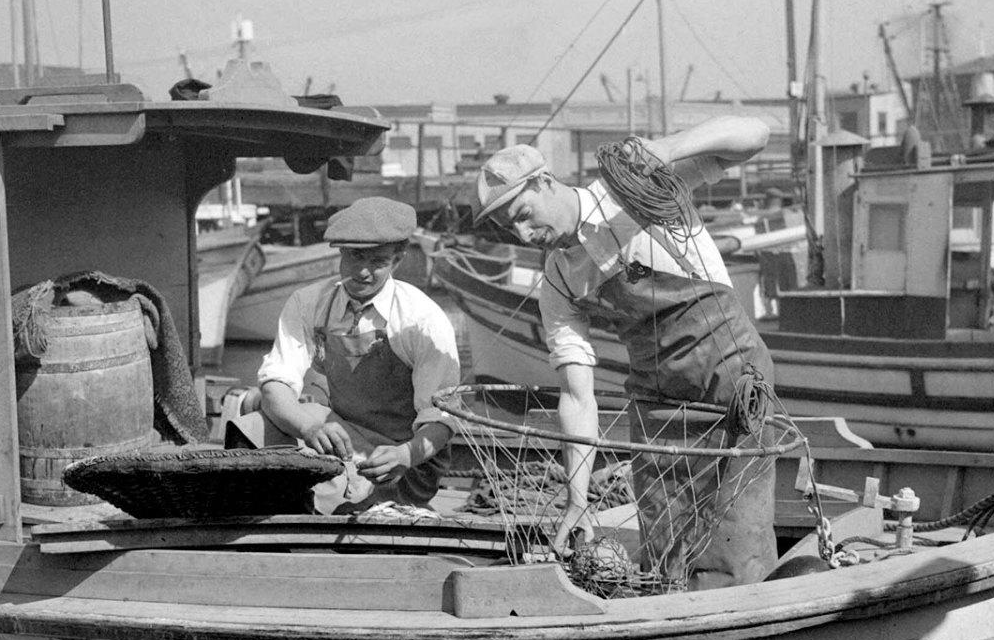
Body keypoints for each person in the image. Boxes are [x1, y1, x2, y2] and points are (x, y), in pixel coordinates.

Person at [473, 117, 776, 589]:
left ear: (545, 181)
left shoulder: (635, 189)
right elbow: (577, 396)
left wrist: (667, 148)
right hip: (658, 405)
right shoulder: (559, 280)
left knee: (737, 544)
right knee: (665, 548)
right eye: (511, 230)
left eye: (524, 215)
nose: (526, 236)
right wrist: (577, 497)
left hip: (732, 382)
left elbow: (754, 135)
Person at [253, 196, 460, 513]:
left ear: (398, 259)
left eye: (378, 261)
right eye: (355, 257)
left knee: (343, 504)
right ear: (339, 251)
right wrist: (310, 429)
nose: (363, 272)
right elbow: (274, 386)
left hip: (405, 460)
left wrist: (406, 455)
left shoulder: (422, 319)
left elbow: (441, 420)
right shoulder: (308, 303)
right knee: (255, 424)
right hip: (344, 438)